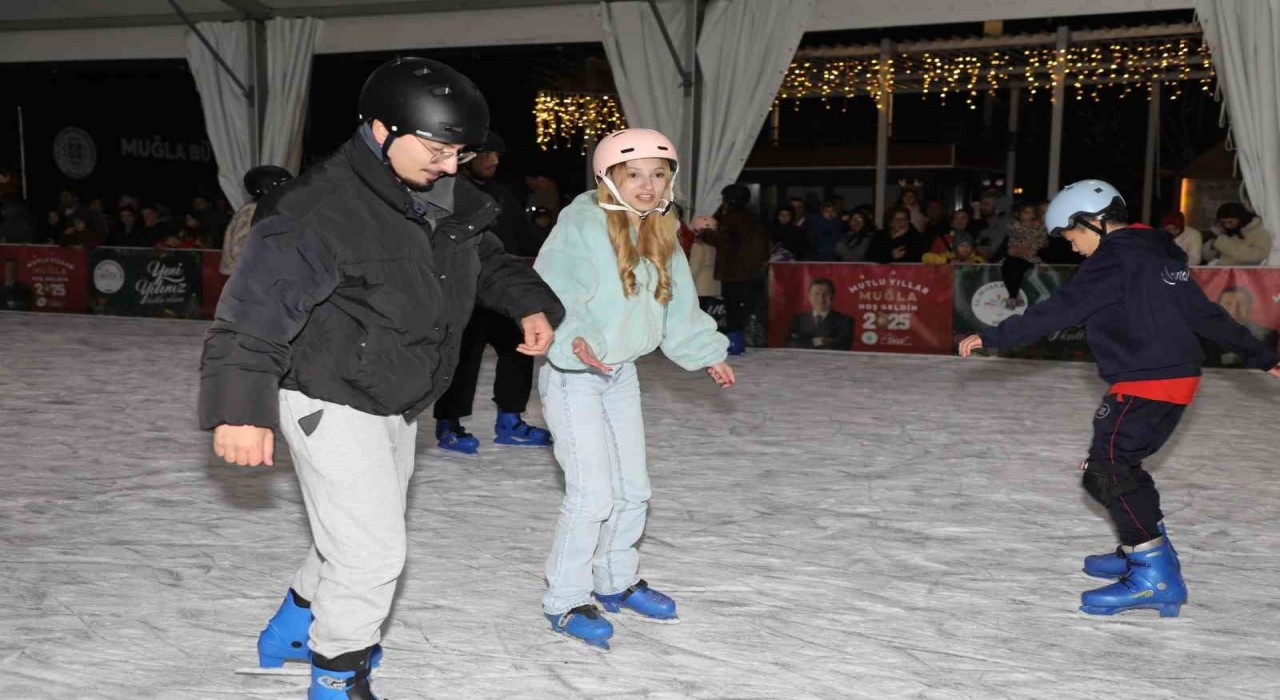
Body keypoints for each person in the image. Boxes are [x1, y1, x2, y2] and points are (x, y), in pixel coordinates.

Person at [198, 57, 565, 699]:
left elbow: (484, 258)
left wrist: (529, 302)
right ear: (380, 130)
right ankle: (337, 677)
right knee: (371, 551)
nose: (450, 166)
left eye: (459, 153)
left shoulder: (436, 194)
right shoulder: (316, 210)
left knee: (356, 535)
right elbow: (253, 314)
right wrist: (240, 409)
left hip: (395, 394)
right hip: (326, 393)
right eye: (437, 150)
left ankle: (292, 630)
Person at [959, 180, 1280, 619]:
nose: (1072, 247)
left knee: (1107, 473)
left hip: (1148, 380)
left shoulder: (1113, 258)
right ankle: (1140, 550)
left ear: (1092, 222)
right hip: (1175, 377)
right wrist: (1263, 356)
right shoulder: (1156, 254)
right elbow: (1205, 314)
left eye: (1071, 235)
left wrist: (996, 336)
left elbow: (1061, 308)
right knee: (1121, 466)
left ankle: (1154, 576)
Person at [532, 127, 734, 650]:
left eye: (658, 174)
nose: (647, 185)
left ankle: (615, 580)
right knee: (592, 494)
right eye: (635, 174)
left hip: (620, 373)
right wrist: (574, 339)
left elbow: (679, 302)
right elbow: (553, 289)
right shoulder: (581, 224)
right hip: (575, 375)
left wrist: (704, 351)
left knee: (633, 488)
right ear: (609, 178)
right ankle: (565, 598)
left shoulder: (661, 228)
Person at [433, 131, 553, 454]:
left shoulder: (503, 195)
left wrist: (545, 235)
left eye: (497, 155)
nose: (494, 160)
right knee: (462, 357)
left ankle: (510, 421)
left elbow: (522, 238)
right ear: (467, 157)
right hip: (464, 292)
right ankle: (448, 423)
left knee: (519, 349)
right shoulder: (447, 191)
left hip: (500, 291)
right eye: (487, 154)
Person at [700, 184, 769, 355]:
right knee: (742, 306)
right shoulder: (752, 217)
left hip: (733, 270)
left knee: (733, 307)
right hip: (749, 270)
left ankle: (735, 342)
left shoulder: (732, 218)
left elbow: (724, 241)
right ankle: (740, 340)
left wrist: (704, 233)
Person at [221, 165, 294, 275]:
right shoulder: (252, 213)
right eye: (284, 186)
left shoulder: (270, 211)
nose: (290, 190)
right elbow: (239, 250)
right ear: (267, 188)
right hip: (253, 278)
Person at [1201, 286, 1280, 366]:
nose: (1235, 310)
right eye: (1228, 304)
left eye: (1241, 304)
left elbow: (1267, 366)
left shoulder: (1267, 335)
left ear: (1249, 308)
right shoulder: (1203, 335)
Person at [1001, 202, 1048, 309]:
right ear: (1018, 214)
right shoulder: (1013, 226)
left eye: (1032, 213)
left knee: (1016, 266)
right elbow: (1011, 246)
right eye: (1026, 213)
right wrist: (1020, 248)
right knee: (1009, 265)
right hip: (1014, 257)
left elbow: (1040, 243)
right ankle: (1014, 296)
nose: (1030, 215)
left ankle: (1013, 297)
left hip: (1030, 258)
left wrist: (1029, 248)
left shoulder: (1040, 228)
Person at [787, 278, 854, 350]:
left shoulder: (845, 321)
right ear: (809, 296)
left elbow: (843, 346)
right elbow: (792, 344)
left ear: (833, 296)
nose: (821, 298)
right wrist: (818, 342)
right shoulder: (798, 319)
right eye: (817, 294)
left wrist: (806, 342)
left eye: (826, 294)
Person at [1202, 202, 1272, 267]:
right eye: (1223, 223)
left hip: (1241, 273)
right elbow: (1207, 257)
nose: (1227, 225)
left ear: (1241, 218)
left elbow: (1260, 254)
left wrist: (1222, 240)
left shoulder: (1257, 232)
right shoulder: (1224, 231)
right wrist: (1213, 241)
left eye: (1230, 222)